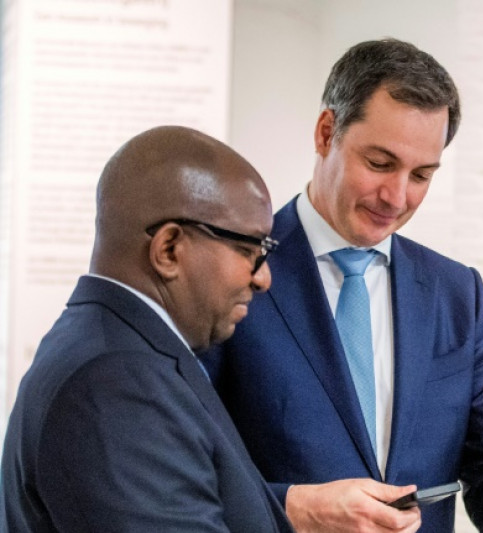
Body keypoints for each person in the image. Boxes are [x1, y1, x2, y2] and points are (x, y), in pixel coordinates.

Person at [202, 38, 483, 533]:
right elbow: (184, 468)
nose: (397, 197)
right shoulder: (228, 275)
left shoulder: (457, 293)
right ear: (326, 133)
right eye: (379, 164)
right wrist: (296, 508)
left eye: (422, 175)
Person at [0, 125, 296, 532]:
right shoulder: (116, 382)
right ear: (169, 249)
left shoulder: (115, 352)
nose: (263, 278)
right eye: (249, 250)